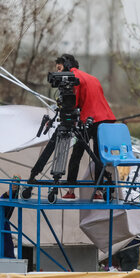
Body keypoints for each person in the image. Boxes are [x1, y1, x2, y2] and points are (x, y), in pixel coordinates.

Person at [27, 54, 115, 201]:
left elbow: (73, 103)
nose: (59, 74)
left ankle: (71, 190)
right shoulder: (92, 78)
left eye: (59, 69)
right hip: (104, 119)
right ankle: (99, 192)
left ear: (67, 65)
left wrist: (61, 106)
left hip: (88, 119)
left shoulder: (74, 77)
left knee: (77, 153)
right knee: (98, 155)